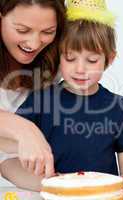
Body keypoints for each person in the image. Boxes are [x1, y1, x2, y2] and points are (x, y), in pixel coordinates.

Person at [0, 0, 123, 193]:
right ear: (59, 55)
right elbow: (8, 150)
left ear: (109, 59)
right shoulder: (41, 99)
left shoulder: (119, 106)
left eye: (91, 60)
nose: (80, 69)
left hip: (103, 195)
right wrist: (49, 182)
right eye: (70, 58)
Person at [0, 0, 66, 184]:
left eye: (48, 32)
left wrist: (61, 184)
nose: (34, 43)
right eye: (22, 30)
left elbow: (6, 158)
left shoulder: (59, 61)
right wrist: (24, 129)